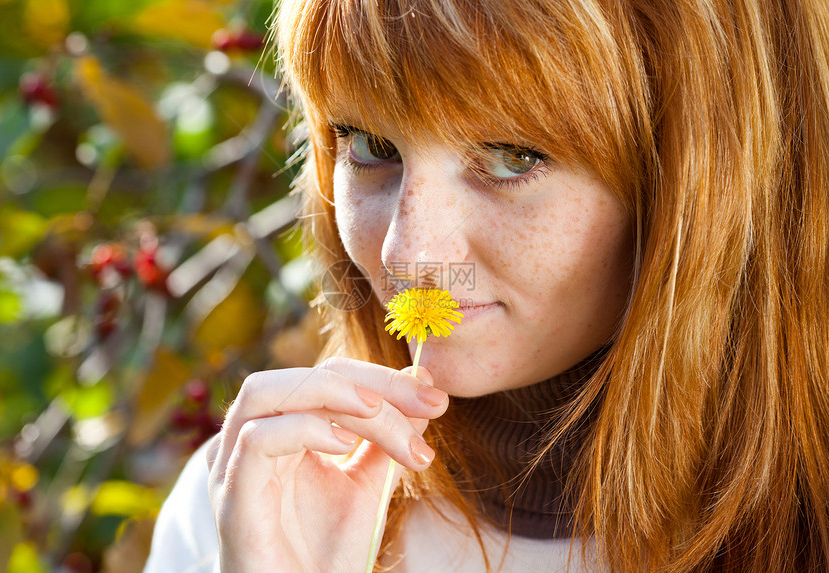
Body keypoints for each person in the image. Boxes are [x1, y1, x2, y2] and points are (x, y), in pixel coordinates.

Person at [144, 0, 829, 571]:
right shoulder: (246, 512)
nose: (408, 253)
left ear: (702, 181)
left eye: (512, 158)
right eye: (372, 147)